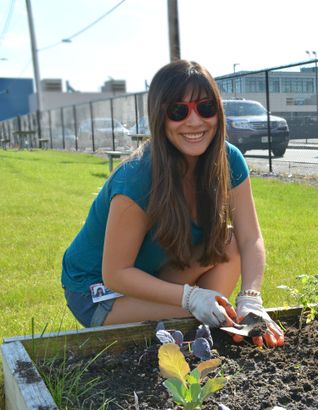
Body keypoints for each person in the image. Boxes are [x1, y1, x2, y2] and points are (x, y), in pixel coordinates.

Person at [62, 60, 283, 348]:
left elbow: (249, 237)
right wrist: (191, 297)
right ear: (160, 117)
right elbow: (116, 274)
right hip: (99, 291)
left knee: (228, 249)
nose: (194, 121)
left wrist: (250, 299)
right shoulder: (137, 179)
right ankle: (195, 335)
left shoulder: (228, 160)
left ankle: (202, 334)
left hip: (155, 275)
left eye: (205, 107)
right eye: (178, 111)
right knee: (200, 316)